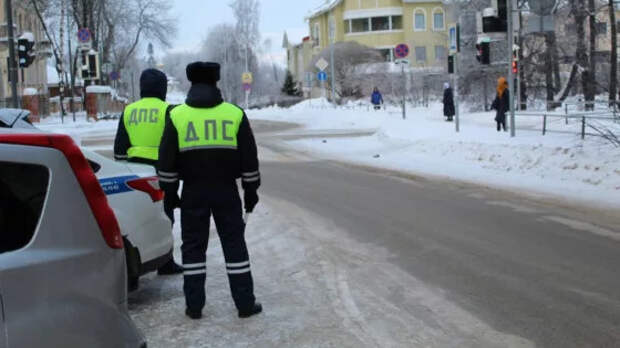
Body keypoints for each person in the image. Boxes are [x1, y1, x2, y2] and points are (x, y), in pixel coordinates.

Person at [157, 62, 262, 320]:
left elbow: (166, 161)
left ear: (191, 83)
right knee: (234, 245)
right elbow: (249, 159)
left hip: (193, 191)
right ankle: (245, 304)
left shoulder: (177, 115)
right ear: (216, 82)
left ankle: (194, 306)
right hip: (227, 191)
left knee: (193, 248)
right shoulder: (234, 114)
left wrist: (170, 194)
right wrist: (251, 190)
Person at [113, 68, 183, 275]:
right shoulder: (169, 110)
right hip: (162, 172)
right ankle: (165, 261)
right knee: (165, 216)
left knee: (141, 217)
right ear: (163, 89)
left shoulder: (128, 111)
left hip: (135, 172)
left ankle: (147, 256)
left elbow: (119, 148)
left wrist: (125, 168)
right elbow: (175, 145)